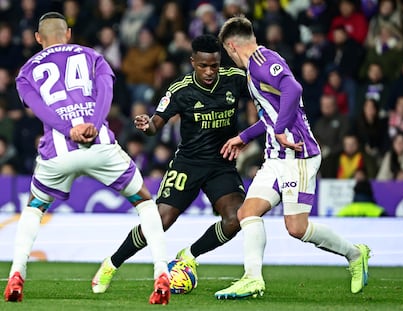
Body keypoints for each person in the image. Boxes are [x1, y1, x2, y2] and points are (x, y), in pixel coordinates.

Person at [3, 12, 170, 305]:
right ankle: (161, 275)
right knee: (144, 201)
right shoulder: (93, 56)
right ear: (68, 33)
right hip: (100, 145)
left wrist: (69, 129)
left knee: (34, 208)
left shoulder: (27, 70)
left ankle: (17, 274)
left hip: (59, 152)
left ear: (38, 39)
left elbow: (37, 108)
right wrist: (92, 123)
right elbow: (106, 90)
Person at [215, 16, 371, 299]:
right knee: (247, 213)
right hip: (276, 156)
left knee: (296, 228)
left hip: (298, 155)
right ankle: (252, 279)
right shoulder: (255, 67)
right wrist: (245, 136)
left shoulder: (262, 62)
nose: (229, 58)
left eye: (227, 53)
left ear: (231, 46)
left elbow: (294, 89)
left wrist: (282, 128)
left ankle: (355, 254)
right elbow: (273, 112)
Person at [91, 34, 249, 293]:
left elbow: (264, 93)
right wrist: (147, 125)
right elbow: (156, 124)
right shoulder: (180, 90)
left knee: (235, 218)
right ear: (192, 62)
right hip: (188, 164)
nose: (209, 72)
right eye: (203, 66)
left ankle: (188, 255)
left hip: (221, 165)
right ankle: (111, 263)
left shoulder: (235, 80)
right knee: (160, 221)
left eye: (214, 65)